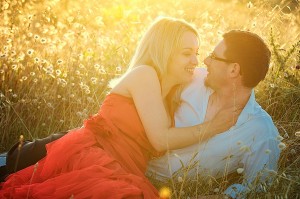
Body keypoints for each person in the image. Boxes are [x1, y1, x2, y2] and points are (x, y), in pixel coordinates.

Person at [0, 17, 237, 198]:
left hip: (115, 164)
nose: (195, 62)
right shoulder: (145, 75)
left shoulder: (172, 94)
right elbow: (160, 139)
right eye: (187, 54)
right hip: (71, 153)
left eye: (196, 53)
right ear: (164, 52)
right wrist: (213, 127)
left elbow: (214, 75)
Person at [147, 30, 281, 198]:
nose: (205, 60)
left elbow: (260, 186)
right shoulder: (192, 78)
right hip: (127, 161)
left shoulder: (261, 130)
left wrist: (222, 197)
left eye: (214, 56)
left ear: (233, 70)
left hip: (162, 190)